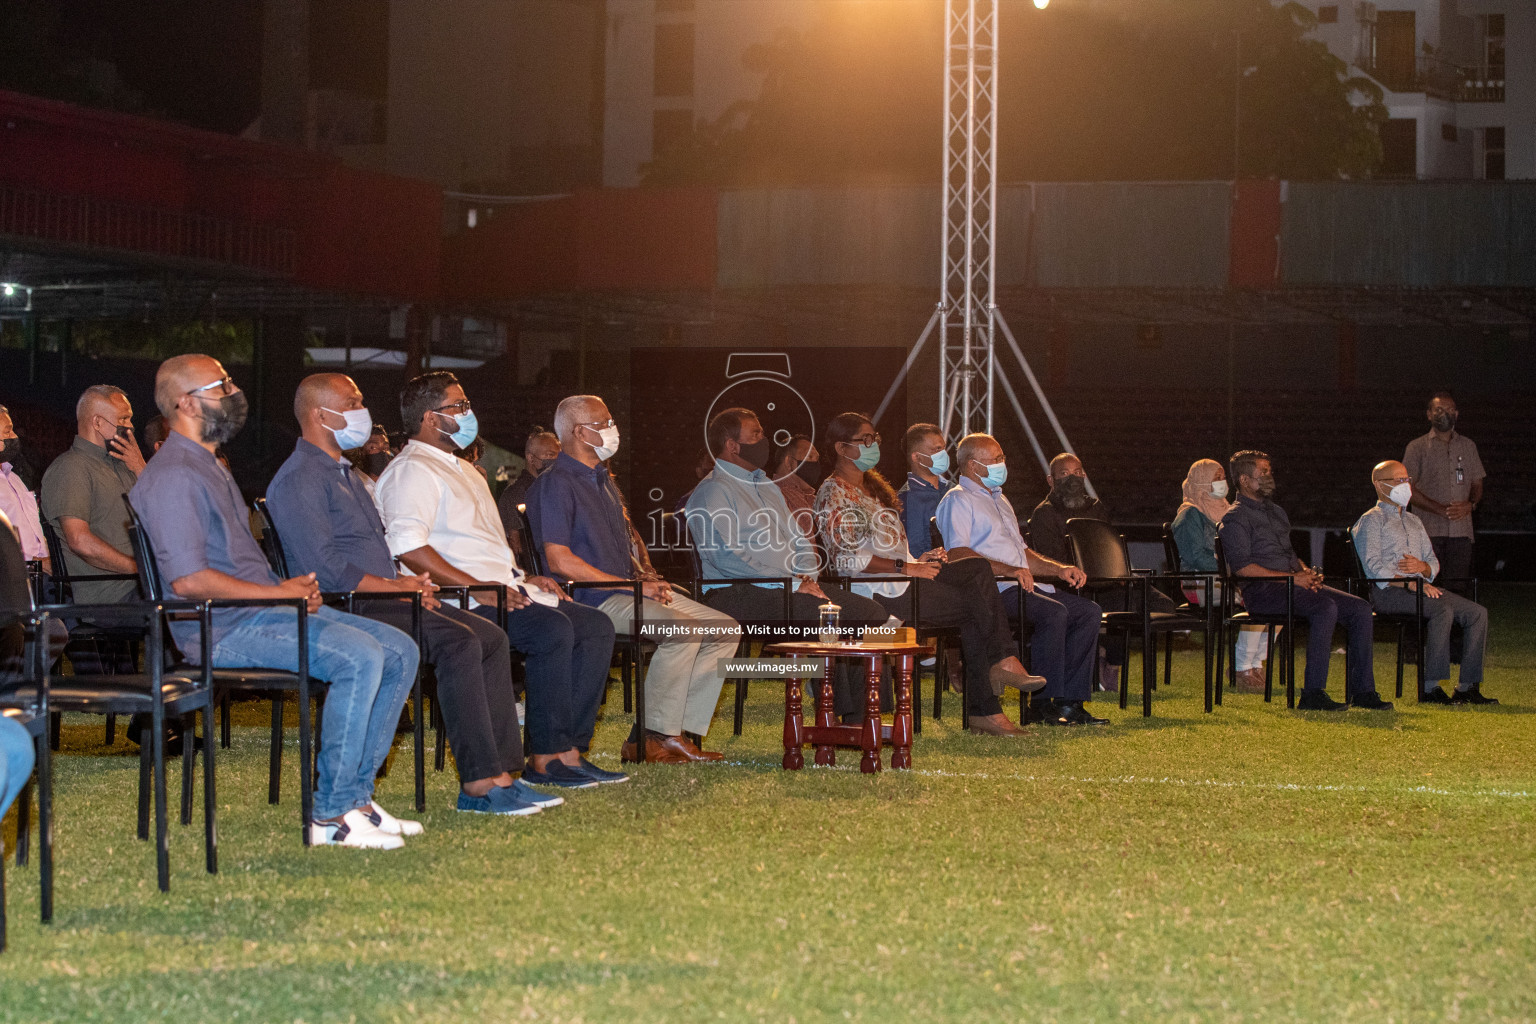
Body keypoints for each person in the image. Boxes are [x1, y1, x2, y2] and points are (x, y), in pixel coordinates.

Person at [131, 354, 423, 849]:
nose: (233, 391)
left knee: (400, 649)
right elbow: (188, 582)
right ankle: (329, 816)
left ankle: (355, 798)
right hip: (220, 628)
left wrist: (287, 594)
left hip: (260, 612)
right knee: (360, 655)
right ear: (184, 402)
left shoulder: (208, 464)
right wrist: (277, 593)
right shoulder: (173, 474)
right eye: (220, 385)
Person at [267, 373, 561, 817]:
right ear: (319, 414)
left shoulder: (344, 473)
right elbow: (324, 571)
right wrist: (395, 586)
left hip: (384, 596)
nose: (361, 412)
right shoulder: (301, 477)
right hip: (348, 606)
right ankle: (479, 785)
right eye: (351, 403)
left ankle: (503, 775)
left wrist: (407, 586)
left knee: (490, 637)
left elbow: (379, 552)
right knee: (462, 641)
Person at [375, 372, 624, 789]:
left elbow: (483, 547)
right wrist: (481, 589)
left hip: (503, 588)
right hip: (460, 598)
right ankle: (544, 757)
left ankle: (567, 750)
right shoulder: (411, 471)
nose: (469, 414)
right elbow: (410, 550)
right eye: (459, 406)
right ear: (429, 418)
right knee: (552, 631)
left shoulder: (466, 470)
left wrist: (527, 577)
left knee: (595, 626)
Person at [533, 394, 739, 762]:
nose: (614, 430)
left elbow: (625, 542)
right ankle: (655, 736)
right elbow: (559, 560)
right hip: (590, 598)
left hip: (627, 590)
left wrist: (644, 573)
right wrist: (631, 586)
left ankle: (671, 733)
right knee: (685, 629)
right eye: (605, 423)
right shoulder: (558, 482)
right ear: (580, 431)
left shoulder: (602, 479)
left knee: (725, 627)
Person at [814, 413, 1047, 736]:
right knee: (974, 609)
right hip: (876, 588)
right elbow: (845, 558)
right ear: (841, 448)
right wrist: (906, 567)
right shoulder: (832, 493)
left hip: (904, 575)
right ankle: (989, 699)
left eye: (875, 438)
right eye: (865, 440)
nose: (874, 445)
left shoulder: (873, 490)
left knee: (976, 569)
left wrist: (917, 559)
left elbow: (893, 547)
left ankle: (1001, 669)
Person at [687, 408, 889, 718]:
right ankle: (836, 713)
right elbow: (727, 558)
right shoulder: (713, 491)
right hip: (735, 592)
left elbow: (799, 541)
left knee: (870, 613)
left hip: (789, 587)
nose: (764, 440)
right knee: (823, 615)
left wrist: (806, 578)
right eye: (755, 435)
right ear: (732, 445)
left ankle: (859, 715)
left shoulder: (767, 486)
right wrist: (793, 584)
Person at [936, 433, 1107, 728]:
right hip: (995, 590)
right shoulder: (958, 500)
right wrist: (1008, 570)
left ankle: (1070, 703)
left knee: (1088, 611)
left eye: (1002, 457)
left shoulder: (1000, 498)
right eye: (997, 459)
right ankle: (1041, 706)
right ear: (974, 466)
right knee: (1055, 612)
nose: (1004, 463)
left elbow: (1023, 553)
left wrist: (1059, 569)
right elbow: (958, 553)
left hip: (1025, 586)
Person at [1218, 450, 1391, 711]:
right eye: (1262, 472)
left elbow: (1289, 555)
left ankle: (1363, 692)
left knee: (1360, 608)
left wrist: (1306, 572)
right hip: (1263, 593)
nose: (1269, 476)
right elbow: (1243, 569)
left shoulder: (1276, 512)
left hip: (1291, 585)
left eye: (1269, 470)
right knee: (1324, 608)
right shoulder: (1235, 518)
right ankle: (1312, 694)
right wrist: (1293, 579)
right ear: (1243, 480)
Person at [1352, 461, 1495, 706]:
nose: (1406, 485)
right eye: (1399, 480)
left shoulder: (1414, 521)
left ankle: (1467, 687)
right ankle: (1430, 688)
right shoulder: (1370, 521)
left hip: (1421, 587)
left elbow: (1432, 562)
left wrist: (1423, 568)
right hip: (1388, 592)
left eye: (1407, 480)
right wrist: (1410, 583)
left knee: (1477, 613)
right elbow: (1373, 569)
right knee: (1442, 610)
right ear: (1379, 484)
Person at [1170, 458, 1268, 693]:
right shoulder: (1189, 514)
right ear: (1201, 480)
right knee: (1262, 598)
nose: (1222, 482)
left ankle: (1255, 663)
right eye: (1216, 478)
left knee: (1280, 596)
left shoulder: (1229, 511)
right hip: (1201, 582)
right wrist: (1233, 572)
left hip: (1230, 580)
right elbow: (1196, 557)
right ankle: (1242, 666)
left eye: (1223, 477)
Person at [40, 385, 144, 604]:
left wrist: (141, 467)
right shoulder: (71, 468)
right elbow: (79, 540)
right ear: (97, 422)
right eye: (123, 419)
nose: (131, 426)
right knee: (197, 602)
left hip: (141, 587)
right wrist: (140, 568)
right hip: (111, 594)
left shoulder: (126, 464)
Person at [1403, 391, 1484, 595]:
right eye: (1439, 409)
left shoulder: (1468, 446)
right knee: (1427, 587)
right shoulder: (1417, 447)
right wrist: (1438, 508)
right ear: (1429, 414)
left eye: (1449, 409)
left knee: (1458, 588)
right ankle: (1426, 627)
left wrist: (1471, 504)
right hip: (1427, 531)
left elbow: (1477, 483)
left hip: (1461, 531)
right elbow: (1406, 488)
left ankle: (1456, 627)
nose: (1444, 414)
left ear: (1456, 414)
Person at [1026, 453, 1108, 566]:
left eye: (1077, 473)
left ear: (1083, 477)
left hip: (1101, 576)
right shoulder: (1044, 513)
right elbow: (1053, 559)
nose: (1073, 479)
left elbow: (1108, 549)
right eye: (1065, 473)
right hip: (1064, 579)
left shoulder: (1095, 507)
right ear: (1051, 480)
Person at [0, 406, 49, 575]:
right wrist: (35, 562)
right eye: (8, 432)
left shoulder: (14, 478)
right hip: (13, 578)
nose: (14, 436)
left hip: (40, 575)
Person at [497, 427, 559, 551]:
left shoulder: (555, 488)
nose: (556, 460)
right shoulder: (516, 494)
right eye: (550, 455)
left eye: (559, 456)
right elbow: (516, 544)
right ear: (531, 458)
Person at [898, 423, 949, 559]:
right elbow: (915, 551)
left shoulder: (953, 489)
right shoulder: (906, 499)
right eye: (936, 450)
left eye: (943, 448)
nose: (943, 454)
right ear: (916, 457)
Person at [769, 434, 820, 540]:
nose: (815, 463)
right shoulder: (776, 497)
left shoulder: (813, 499)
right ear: (789, 462)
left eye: (817, 459)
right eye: (809, 457)